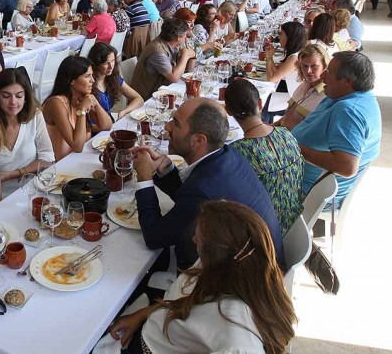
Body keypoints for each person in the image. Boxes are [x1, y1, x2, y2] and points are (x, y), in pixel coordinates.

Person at [107, 201, 296, 354]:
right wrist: (142, 315)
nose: (194, 239)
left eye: (199, 238)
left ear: (215, 254)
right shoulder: (229, 265)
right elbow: (181, 302)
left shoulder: (236, 332)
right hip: (154, 327)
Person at [131, 99, 284, 268]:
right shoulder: (228, 154)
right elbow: (188, 203)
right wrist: (166, 169)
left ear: (198, 141)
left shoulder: (202, 191)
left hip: (245, 278)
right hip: (264, 262)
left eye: (176, 123)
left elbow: (153, 237)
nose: (167, 126)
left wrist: (144, 177)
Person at [293, 51, 382, 206]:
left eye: (328, 72)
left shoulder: (349, 112)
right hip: (298, 174)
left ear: (347, 81)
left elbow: (347, 167)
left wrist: (292, 147)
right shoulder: (346, 96)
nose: (322, 76)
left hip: (305, 191)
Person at [226, 79, 305, 234]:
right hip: (295, 224)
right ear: (260, 104)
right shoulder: (286, 134)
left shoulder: (237, 152)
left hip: (264, 233)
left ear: (228, 111)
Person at [0, 68, 55, 205]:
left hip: (33, 191)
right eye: (6, 96)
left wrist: (12, 174)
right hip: (2, 195)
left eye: (19, 96)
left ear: (25, 98)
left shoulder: (35, 117)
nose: (13, 102)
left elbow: (48, 159)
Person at [42, 56, 113, 161]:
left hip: (80, 159)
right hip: (59, 165)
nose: (93, 80)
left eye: (92, 75)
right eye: (87, 76)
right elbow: (77, 146)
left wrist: (95, 103)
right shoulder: (56, 103)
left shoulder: (82, 98)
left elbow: (107, 126)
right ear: (72, 80)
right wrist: (82, 110)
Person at [131, 19, 195, 100]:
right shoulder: (157, 52)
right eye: (185, 35)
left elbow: (189, 71)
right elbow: (174, 78)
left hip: (163, 90)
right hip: (147, 98)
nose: (186, 37)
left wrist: (192, 56)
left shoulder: (172, 44)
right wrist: (185, 56)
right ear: (178, 37)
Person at [276, 43, 331, 131]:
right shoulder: (304, 84)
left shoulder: (327, 96)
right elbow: (289, 116)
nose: (308, 71)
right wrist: (273, 125)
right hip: (282, 132)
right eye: (305, 66)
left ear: (324, 66)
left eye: (314, 66)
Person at [87, 43, 143, 118]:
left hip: (109, 121)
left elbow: (139, 99)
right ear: (96, 63)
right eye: (106, 63)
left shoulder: (113, 78)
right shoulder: (88, 84)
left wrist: (124, 111)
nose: (111, 66)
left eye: (113, 61)